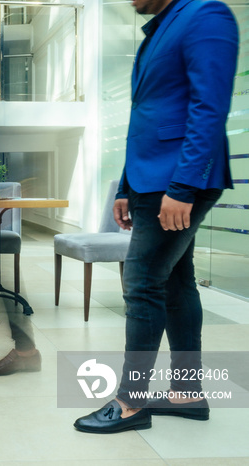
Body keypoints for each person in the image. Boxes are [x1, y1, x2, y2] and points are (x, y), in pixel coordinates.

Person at [74, 0, 238, 433]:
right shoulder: (158, 29)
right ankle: (188, 392)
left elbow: (209, 107)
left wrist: (183, 187)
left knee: (142, 280)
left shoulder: (207, 14)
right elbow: (144, 118)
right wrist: (126, 186)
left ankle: (130, 402)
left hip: (177, 180)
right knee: (176, 282)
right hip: (150, 180)